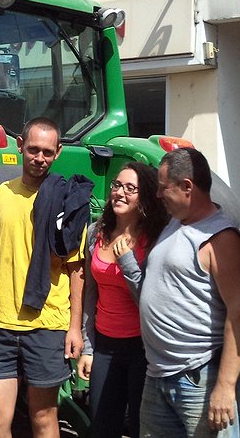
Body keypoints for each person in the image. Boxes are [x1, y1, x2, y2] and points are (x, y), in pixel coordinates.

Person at [0, 117, 87, 438]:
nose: (39, 158)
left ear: (58, 153)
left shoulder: (67, 201)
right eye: (33, 149)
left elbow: (76, 269)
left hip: (47, 326)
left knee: (43, 418)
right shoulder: (3, 194)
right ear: (20, 145)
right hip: (2, 325)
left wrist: (75, 328)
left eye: (47, 152)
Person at [138, 147, 240, 438]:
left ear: (187, 187)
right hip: (158, 376)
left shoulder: (221, 239)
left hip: (199, 380)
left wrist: (225, 387)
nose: (157, 195)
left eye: (163, 188)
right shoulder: (176, 223)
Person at [77, 162, 169, 438]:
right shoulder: (96, 232)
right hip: (105, 346)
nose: (120, 193)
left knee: (143, 428)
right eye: (117, 185)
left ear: (144, 197)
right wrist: (88, 347)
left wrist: (128, 263)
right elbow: (90, 292)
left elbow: (151, 302)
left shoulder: (153, 239)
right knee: (102, 426)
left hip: (142, 349)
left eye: (131, 188)